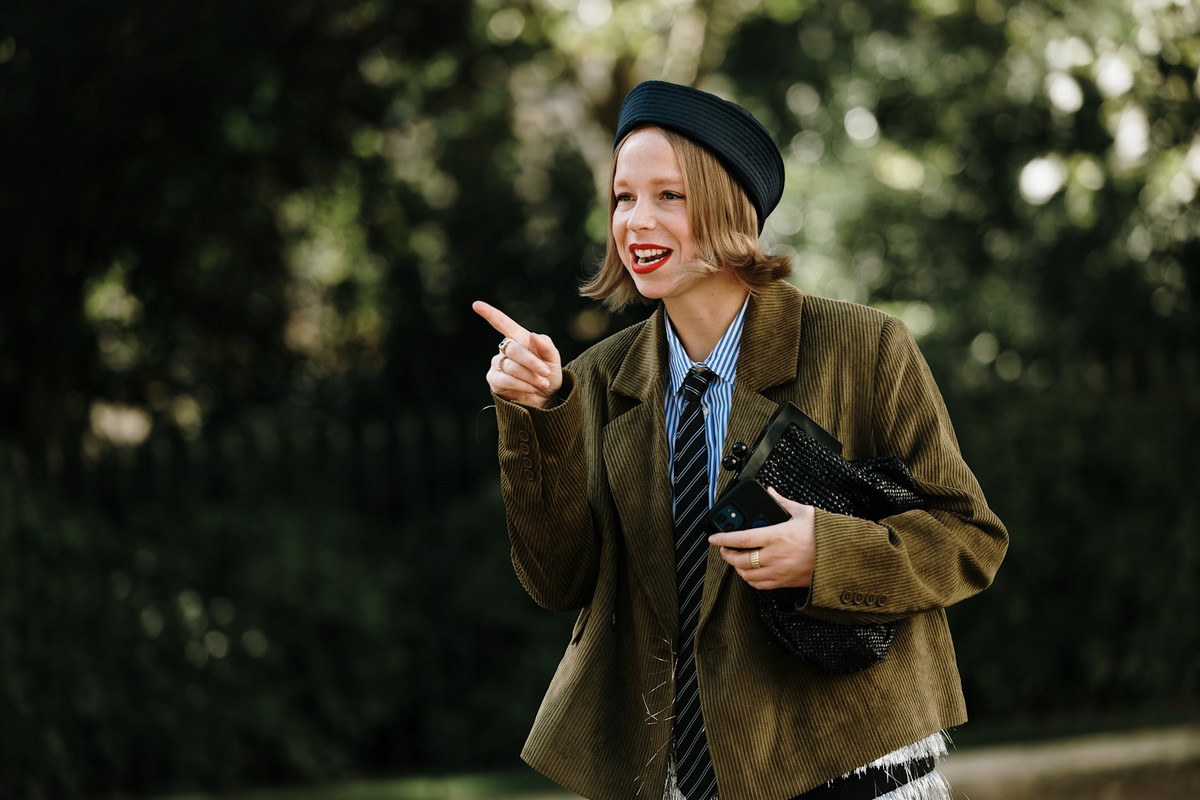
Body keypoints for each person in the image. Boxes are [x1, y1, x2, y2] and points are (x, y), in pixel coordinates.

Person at [472, 80, 1008, 800]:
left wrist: (826, 552)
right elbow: (557, 580)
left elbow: (971, 538)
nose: (636, 221)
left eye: (669, 195)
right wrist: (538, 414)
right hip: (683, 780)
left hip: (852, 770)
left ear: (731, 210)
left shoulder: (866, 346)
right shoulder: (593, 382)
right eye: (623, 198)